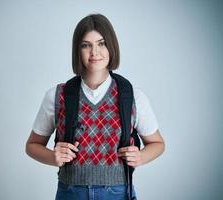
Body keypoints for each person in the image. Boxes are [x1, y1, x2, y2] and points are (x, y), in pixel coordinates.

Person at [25, 13, 165, 200]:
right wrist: (53, 157)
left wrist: (141, 156)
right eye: (86, 45)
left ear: (111, 46)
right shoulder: (57, 95)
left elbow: (158, 144)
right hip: (70, 192)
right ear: (77, 50)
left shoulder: (132, 97)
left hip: (117, 192)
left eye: (101, 43)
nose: (94, 52)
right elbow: (32, 146)